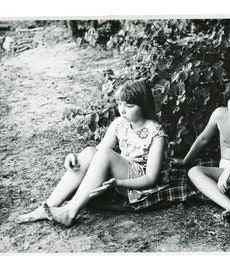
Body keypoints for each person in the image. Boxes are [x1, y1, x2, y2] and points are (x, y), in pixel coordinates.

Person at [15, 79, 169, 227]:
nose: (122, 110)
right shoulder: (119, 124)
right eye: (120, 104)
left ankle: (70, 211)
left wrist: (117, 182)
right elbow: (97, 152)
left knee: (105, 155)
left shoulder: (156, 133)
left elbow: (150, 178)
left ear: (143, 106)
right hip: (125, 169)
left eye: (129, 105)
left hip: (139, 182)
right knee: (89, 151)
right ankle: (49, 205)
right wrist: (75, 157)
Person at [173, 79, 230, 213]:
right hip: (227, 171)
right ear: (227, 101)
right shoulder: (219, 114)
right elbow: (204, 138)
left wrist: (229, 169)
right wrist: (186, 160)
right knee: (193, 171)